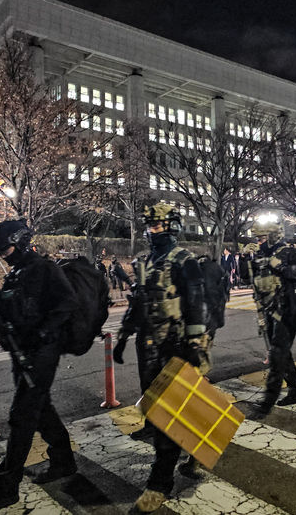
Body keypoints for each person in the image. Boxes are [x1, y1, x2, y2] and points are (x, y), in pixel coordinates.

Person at [0, 220, 79, 514]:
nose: (3, 254)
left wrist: (44, 332)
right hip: (23, 352)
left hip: (41, 353)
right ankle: (64, 460)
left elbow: (68, 303)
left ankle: (5, 489)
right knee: (41, 409)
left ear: (20, 242)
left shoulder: (44, 269)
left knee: (21, 417)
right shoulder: (16, 273)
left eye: (5, 248)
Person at [113, 204, 209, 513]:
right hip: (148, 345)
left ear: (173, 226)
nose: (153, 231)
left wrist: (196, 344)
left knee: (165, 415)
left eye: (158, 226)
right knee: (158, 407)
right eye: (149, 226)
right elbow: (137, 301)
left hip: (176, 345)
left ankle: (159, 483)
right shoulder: (144, 261)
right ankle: (197, 448)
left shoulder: (185, 261)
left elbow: (196, 305)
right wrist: (124, 335)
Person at [244, 221, 296, 416]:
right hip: (268, 309)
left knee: (276, 354)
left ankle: (267, 404)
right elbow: (246, 277)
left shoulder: (290, 252)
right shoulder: (261, 253)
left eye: (262, 238)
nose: (259, 242)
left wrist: (280, 267)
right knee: (283, 354)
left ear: (273, 236)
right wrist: (246, 258)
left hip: (287, 310)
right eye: (257, 239)